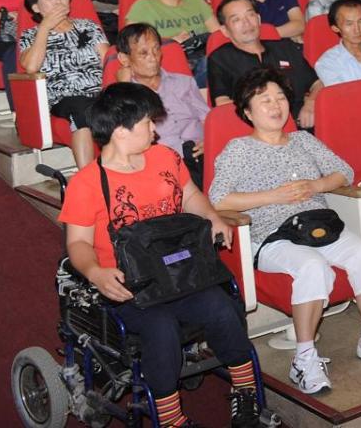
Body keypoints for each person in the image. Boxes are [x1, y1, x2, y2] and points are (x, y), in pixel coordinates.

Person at [59, 83, 262, 428]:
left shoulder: (165, 157)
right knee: (161, 328)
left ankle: (245, 394)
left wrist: (212, 216)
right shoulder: (88, 183)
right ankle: (169, 418)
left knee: (221, 308)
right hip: (130, 286)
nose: (155, 129)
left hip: (179, 272)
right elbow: (77, 243)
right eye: (148, 123)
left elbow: (190, 194)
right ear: (122, 130)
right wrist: (95, 272)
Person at [210, 68, 361, 395]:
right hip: (272, 235)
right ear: (247, 111)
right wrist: (274, 196)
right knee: (312, 267)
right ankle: (304, 358)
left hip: (318, 227)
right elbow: (218, 199)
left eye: (280, 98)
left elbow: (343, 171)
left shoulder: (303, 140)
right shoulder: (238, 149)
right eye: (265, 100)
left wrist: (316, 185)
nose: (276, 106)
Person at [19, 0, 107, 167]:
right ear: (36, 7)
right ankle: (88, 181)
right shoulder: (30, 35)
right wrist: (45, 28)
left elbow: (108, 62)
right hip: (63, 98)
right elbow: (31, 67)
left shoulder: (88, 27)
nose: (58, 1)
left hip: (98, 93)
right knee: (80, 109)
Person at [114, 23, 209, 182]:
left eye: (156, 49)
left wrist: (208, 141)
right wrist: (123, 87)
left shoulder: (184, 82)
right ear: (124, 59)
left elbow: (208, 119)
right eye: (143, 53)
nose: (153, 58)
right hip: (161, 165)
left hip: (200, 156)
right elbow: (116, 134)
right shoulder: (122, 95)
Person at [206, 0, 319, 126]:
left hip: (304, 122)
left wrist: (311, 102)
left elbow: (317, 84)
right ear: (225, 30)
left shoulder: (285, 47)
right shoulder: (220, 58)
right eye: (236, 19)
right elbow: (222, 103)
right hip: (256, 130)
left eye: (250, 15)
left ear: (259, 19)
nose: (247, 23)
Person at [127, 0, 217, 86]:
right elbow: (131, 45)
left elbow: (217, 34)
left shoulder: (196, 1)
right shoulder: (142, 6)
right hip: (170, 65)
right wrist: (170, 41)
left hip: (206, 58)